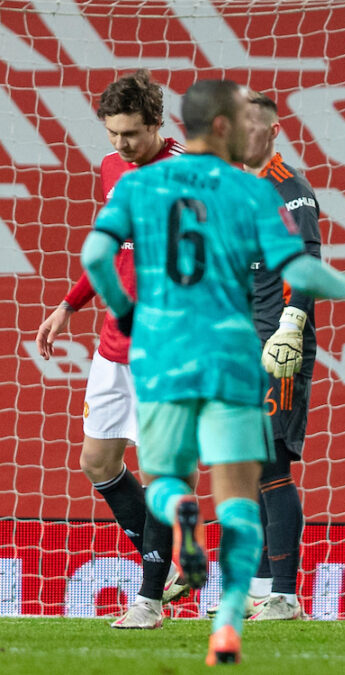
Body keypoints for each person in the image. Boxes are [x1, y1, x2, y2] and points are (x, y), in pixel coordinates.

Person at [80, 78, 345, 665]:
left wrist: (126, 311)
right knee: (239, 487)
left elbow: (96, 255)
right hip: (226, 351)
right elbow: (306, 272)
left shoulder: (139, 183)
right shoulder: (247, 193)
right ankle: (228, 619)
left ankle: (168, 568)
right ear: (221, 126)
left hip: (162, 353)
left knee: (166, 478)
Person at [34, 69, 188, 630]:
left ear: (157, 123)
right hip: (111, 345)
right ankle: (171, 560)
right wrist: (69, 305)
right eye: (113, 133)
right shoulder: (111, 167)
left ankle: (148, 600)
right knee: (98, 461)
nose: (120, 144)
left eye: (130, 134)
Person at [243, 90, 320, 621]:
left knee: (272, 464)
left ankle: (286, 594)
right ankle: (258, 590)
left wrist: (290, 327)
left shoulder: (289, 189)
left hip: (279, 348)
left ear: (273, 132)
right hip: (241, 345)